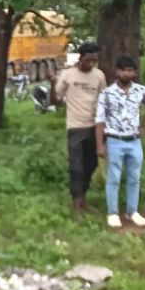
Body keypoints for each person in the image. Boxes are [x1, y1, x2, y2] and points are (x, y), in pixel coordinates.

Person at [94, 56, 145, 229]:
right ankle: (112, 213)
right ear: (117, 71)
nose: (126, 74)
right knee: (113, 178)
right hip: (114, 140)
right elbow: (99, 120)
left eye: (130, 70)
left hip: (134, 141)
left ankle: (132, 211)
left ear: (134, 72)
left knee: (134, 178)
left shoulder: (141, 91)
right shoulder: (107, 94)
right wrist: (100, 145)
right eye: (123, 70)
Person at [47, 41, 108, 215]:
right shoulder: (68, 75)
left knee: (91, 165)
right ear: (80, 58)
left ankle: (83, 199)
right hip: (75, 127)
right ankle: (76, 204)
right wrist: (52, 83)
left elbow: (104, 101)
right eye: (88, 60)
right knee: (76, 167)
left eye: (94, 61)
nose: (91, 64)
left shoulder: (99, 76)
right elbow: (55, 101)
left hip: (94, 127)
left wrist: (104, 127)